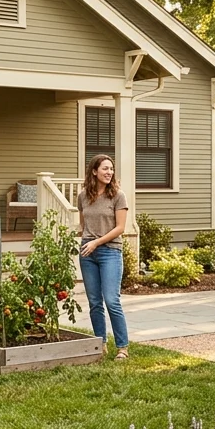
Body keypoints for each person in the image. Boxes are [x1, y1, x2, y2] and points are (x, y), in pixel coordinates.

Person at [78, 153, 131, 359]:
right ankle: (100, 344)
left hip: (110, 251)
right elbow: (84, 224)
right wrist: (87, 242)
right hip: (87, 252)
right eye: (105, 169)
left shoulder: (118, 196)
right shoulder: (83, 196)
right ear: (94, 171)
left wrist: (96, 242)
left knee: (111, 300)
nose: (109, 172)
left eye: (111, 169)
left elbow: (120, 228)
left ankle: (122, 347)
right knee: (94, 302)